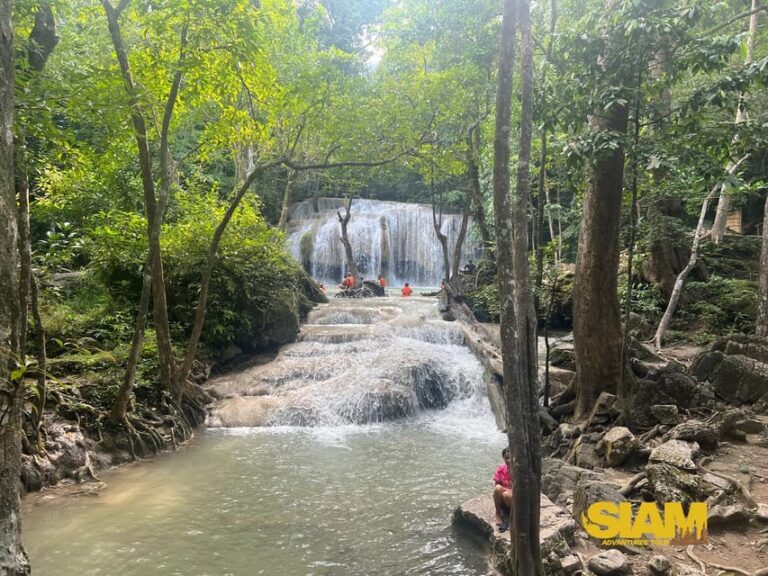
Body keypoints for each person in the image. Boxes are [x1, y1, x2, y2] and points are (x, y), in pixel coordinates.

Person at [493, 448, 513, 532]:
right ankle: (498, 513)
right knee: (498, 488)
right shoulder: (501, 468)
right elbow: (497, 484)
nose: (508, 460)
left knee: (506, 495)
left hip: (512, 498)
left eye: (510, 458)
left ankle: (512, 515)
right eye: (506, 458)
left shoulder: (518, 470)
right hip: (503, 497)